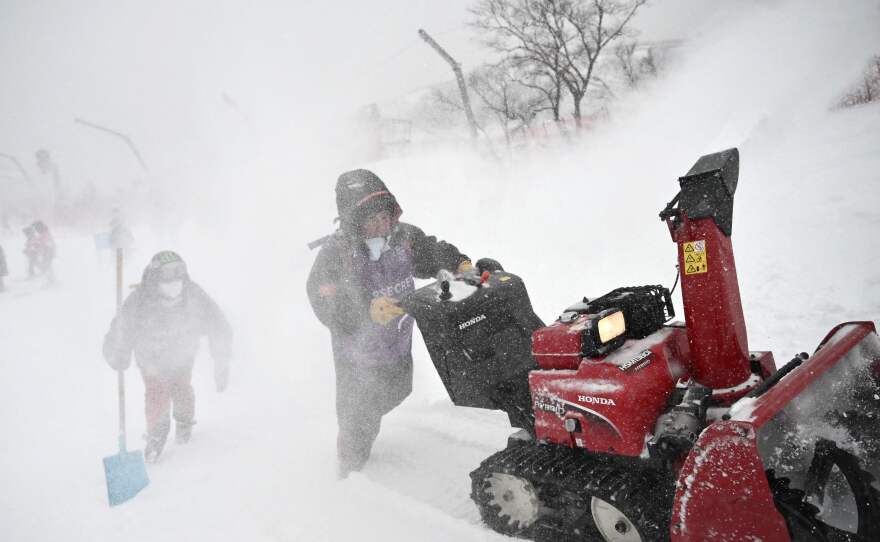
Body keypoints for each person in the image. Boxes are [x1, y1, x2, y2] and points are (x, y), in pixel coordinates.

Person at [307, 169, 472, 477]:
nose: (381, 225)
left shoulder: (404, 238)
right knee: (359, 416)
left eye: (385, 216)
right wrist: (365, 311)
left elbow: (432, 251)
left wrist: (457, 262)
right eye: (371, 220)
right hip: (356, 356)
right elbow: (322, 297)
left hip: (396, 343)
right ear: (354, 222)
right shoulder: (336, 253)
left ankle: (365, 426)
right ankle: (349, 472)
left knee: (396, 391)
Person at [103, 251, 233, 462]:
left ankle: (184, 423)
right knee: (157, 392)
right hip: (150, 358)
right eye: (167, 276)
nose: (174, 282)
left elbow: (217, 323)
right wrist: (117, 351)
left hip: (183, 355)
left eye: (178, 275)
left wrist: (221, 358)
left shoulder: (193, 295)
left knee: (181, 387)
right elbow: (121, 329)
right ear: (155, 277)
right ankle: (156, 435)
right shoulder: (140, 300)